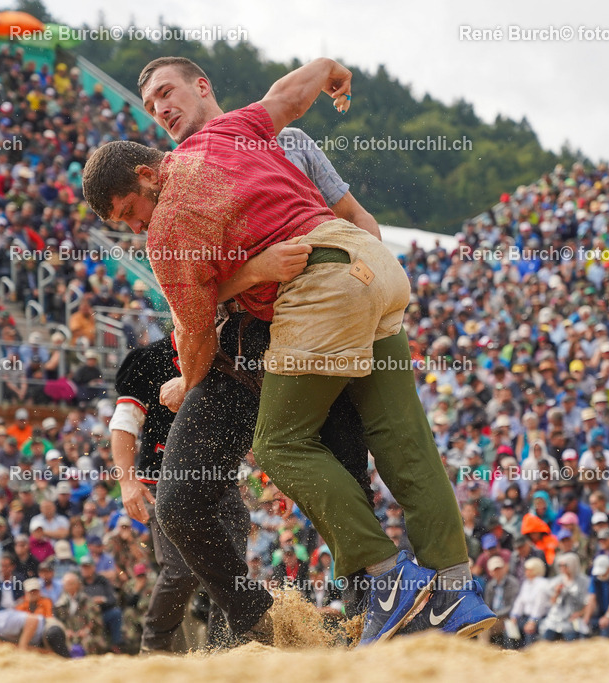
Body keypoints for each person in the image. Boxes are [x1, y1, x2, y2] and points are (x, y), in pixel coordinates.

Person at [84, 54, 493, 647]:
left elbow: (195, 334)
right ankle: (453, 594)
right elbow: (290, 95)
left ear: (147, 177)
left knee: (283, 445)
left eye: (129, 213)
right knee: (404, 443)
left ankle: (388, 587)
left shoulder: (170, 222)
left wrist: (188, 376)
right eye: (149, 105)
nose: (134, 227)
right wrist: (328, 66)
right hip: (364, 273)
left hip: (312, 302)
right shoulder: (236, 132)